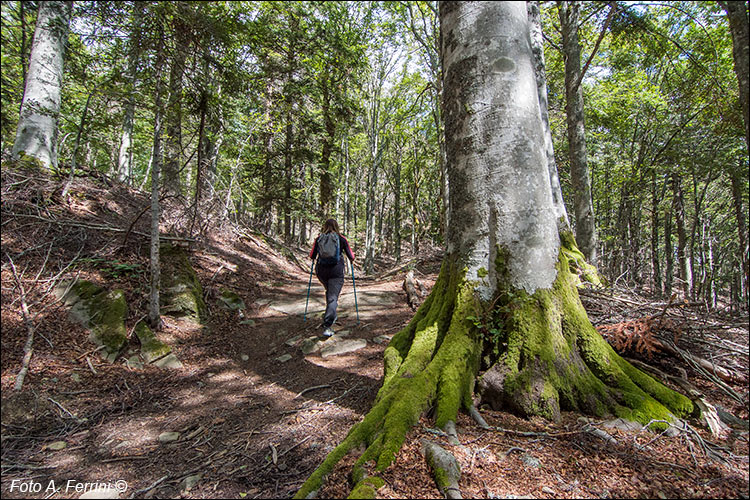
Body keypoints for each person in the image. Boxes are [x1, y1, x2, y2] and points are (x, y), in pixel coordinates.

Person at [309, 218, 355, 337]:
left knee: (330, 293)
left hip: (321, 271)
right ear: (336, 226)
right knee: (333, 297)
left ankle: (331, 313)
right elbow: (351, 256)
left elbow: (312, 255)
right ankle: (328, 325)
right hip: (336, 271)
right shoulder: (341, 238)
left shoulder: (319, 238)